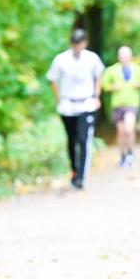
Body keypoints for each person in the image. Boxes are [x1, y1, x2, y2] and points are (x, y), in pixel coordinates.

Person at [46, 29, 104, 189]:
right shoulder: (61, 60)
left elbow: (99, 76)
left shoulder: (92, 59)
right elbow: (52, 79)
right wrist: (59, 98)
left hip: (86, 104)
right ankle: (74, 170)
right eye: (74, 44)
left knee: (84, 139)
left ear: (85, 43)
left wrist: (96, 96)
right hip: (68, 105)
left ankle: (81, 177)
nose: (77, 47)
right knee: (72, 140)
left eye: (80, 44)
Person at [101, 46, 140, 168]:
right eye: (122, 56)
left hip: (132, 104)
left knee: (129, 129)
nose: (124, 58)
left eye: (126, 56)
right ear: (118, 57)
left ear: (130, 56)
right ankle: (123, 156)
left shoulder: (138, 69)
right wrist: (112, 87)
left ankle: (131, 154)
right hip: (117, 104)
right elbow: (104, 85)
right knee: (121, 132)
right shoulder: (111, 70)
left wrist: (138, 84)